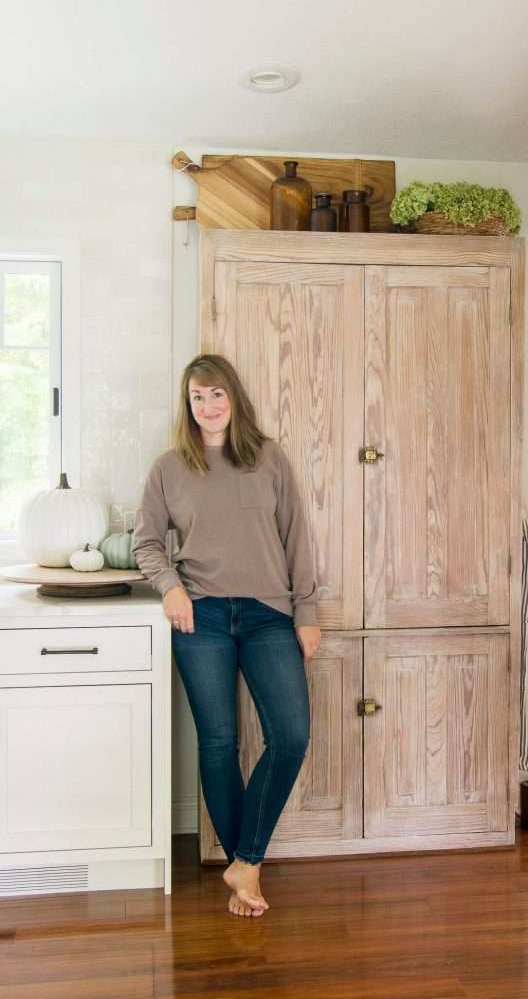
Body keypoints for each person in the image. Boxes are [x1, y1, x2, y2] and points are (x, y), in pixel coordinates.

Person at [132, 353, 321, 919]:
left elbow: (296, 538)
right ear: (187, 406)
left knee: (290, 735)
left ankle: (245, 858)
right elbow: (145, 542)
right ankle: (248, 872)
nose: (207, 406)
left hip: (269, 615)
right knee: (218, 744)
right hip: (202, 617)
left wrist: (306, 613)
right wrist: (169, 586)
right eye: (197, 397)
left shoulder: (269, 458)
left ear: (233, 399)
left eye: (216, 395)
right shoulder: (169, 468)